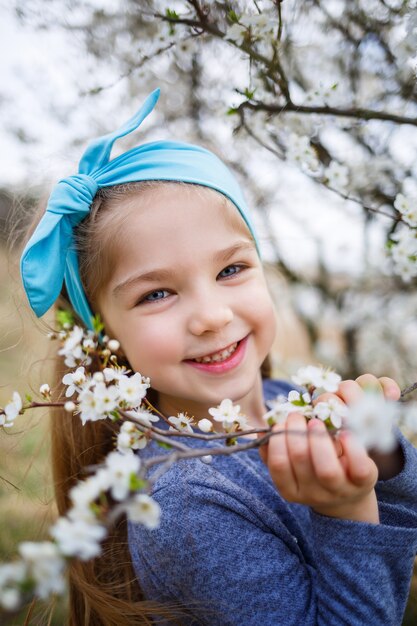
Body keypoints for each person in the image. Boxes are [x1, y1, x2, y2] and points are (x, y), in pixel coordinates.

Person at [20, 89, 417, 626]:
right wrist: (346, 512)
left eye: (231, 270)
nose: (210, 316)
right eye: (156, 294)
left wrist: (385, 462)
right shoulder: (186, 502)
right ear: (104, 338)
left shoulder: (291, 399)